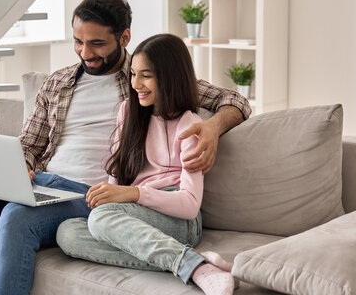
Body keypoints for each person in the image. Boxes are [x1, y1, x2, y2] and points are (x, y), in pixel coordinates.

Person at [0, 0, 250, 295]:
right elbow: (28, 144)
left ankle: (192, 265)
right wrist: (23, 166)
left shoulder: (143, 78)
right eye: (78, 41)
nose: (85, 53)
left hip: (88, 194)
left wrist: (213, 127)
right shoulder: (57, 83)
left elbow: (234, 99)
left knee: (16, 218)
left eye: (97, 44)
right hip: (43, 184)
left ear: (124, 37)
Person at [56, 33, 235, 295]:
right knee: (67, 233)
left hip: (179, 218)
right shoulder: (128, 112)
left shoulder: (190, 125)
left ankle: (193, 266)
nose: (136, 83)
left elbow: (189, 205)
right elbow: (117, 173)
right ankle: (191, 260)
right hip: (135, 212)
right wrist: (112, 196)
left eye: (146, 75)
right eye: (133, 74)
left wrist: (132, 194)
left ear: (169, 77)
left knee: (101, 218)